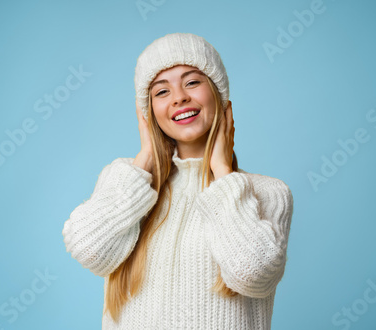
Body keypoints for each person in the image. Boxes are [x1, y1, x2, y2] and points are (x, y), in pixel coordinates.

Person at [62, 32, 294, 329]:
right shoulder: (126, 180)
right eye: (161, 92)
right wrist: (145, 158)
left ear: (219, 96)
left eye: (192, 82)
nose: (179, 97)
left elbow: (253, 274)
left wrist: (223, 171)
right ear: (148, 113)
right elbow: (89, 249)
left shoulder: (268, 193)